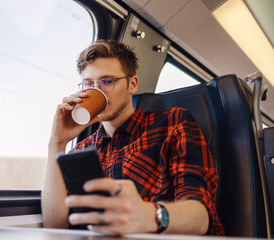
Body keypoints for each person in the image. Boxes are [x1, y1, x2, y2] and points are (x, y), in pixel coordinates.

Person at [42, 39, 224, 236]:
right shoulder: (83, 148)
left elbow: (201, 217)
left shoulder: (173, 123)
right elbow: (55, 225)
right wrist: (57, 143)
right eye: (88, 84)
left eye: (107, 81)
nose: (96, 90)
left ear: (132, 84)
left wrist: (148, 215)